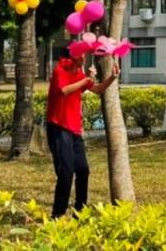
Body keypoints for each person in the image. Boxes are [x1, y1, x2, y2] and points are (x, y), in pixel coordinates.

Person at [46, 48, 119, 217]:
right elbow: (64, 90)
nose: (84, 57)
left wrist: (113, 78)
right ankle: (57, 214)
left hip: (74, 129)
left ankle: (80, 211)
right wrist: (85, 81)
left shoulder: (79, 73)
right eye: (81, 54)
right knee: (66, 171)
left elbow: (98, 89)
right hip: (58, 127)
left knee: (83, 169)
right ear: (72, 56)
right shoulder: (59, 71)